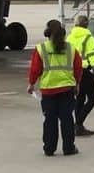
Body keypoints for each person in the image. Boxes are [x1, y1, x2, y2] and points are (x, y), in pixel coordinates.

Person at [27, 19, 83, 156]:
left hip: (48, 90)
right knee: (67, 119)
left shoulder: (41, 49)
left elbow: (35, 69)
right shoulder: (71, 49)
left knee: (50, 120)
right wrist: (77, 84)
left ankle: (49, 148)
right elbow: (78, 69)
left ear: (47, 33)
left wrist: (31, 84)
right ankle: (68, 148)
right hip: (67, 89)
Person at [68, 15, 94, 136]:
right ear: (86, 24)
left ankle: (78, 126)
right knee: (93, 98)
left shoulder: (70, 37)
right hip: (84, 71)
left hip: (72, 71)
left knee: (80, 98)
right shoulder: (88, 37)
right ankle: (78, 123)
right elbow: (93, 55)